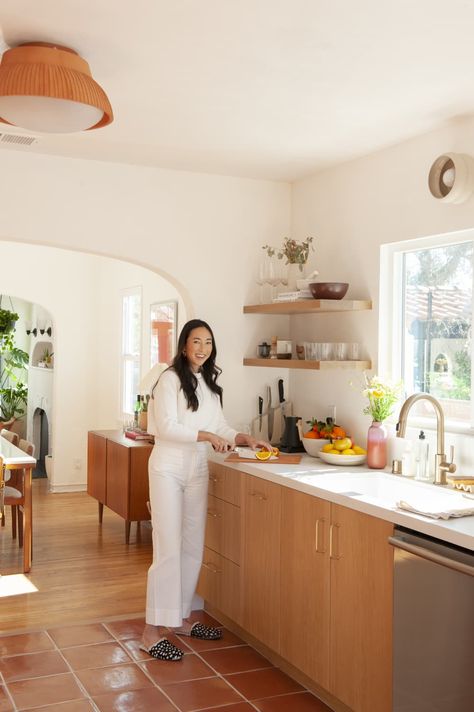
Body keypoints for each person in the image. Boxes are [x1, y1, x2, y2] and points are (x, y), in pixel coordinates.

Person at [141, 318, 272, 661]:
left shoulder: (209, 384)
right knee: (167, 548)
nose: (202, 348)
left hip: (197, 467)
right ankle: (152, 631)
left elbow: (219, 426)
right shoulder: (168, 380)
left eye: (208, 342)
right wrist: (206, 437)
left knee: (192, 547)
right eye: (196, 341)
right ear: (184, 345)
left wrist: (242, 438)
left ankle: (181, 618)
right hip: (168, 466)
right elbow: (167, 427)